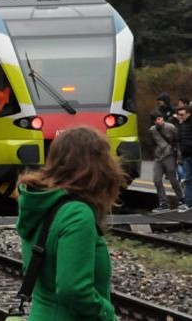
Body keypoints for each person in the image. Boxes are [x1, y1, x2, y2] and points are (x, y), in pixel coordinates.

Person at [16, 127, 125, 320]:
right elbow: (73, 289)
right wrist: (107, 314)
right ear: (96, 166)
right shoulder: (77, 214)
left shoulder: (41, 203)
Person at [149, 111, 187, 212]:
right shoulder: (152, 130)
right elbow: (153, 143)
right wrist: (154, 154)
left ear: (162, 118)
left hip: (169, 155)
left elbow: (177, 142)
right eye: (156, 120)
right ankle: (163, 203)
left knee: (173, 180)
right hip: (158, 157)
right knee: (156, 180)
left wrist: (179, 156)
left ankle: (181, 199)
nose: (159, 121)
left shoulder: (171, 127)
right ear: (153, 121)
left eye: (160, 118)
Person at [176, 107, 192, 206]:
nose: (180, 117)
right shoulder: (181, 125)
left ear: (189, 114)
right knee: (187, 180)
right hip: (185, 156)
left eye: (182, 114)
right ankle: (188, 203)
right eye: (179, 115)